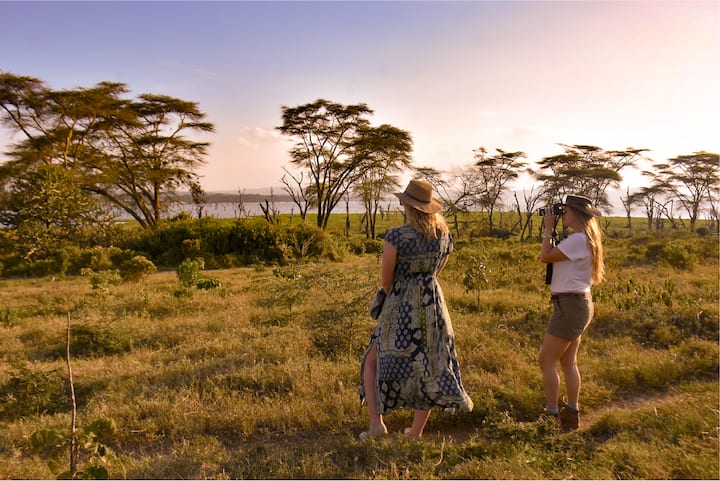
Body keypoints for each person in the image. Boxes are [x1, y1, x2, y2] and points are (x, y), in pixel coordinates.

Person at [359, 179, 474, 440]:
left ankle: (376, 424)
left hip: (399, 304)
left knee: (372, 360)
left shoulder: (396, 236)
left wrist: (397, 299)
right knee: (429, 364)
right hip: (432, 304)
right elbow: (436, 273)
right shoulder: (444, 236)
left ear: (407, 205)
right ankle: (416, 431)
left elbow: (386, 280)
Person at [538, 194, 605, 432]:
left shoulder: (577, 239)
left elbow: (545, 256)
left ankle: (551, 413)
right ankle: (572, 413)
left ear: (576, 214)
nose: (562, 215)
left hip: (570, 306)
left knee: (546, 360)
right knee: (568, 361)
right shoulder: (584, 238)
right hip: (577, 303)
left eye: (564, 211)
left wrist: (548, 229)